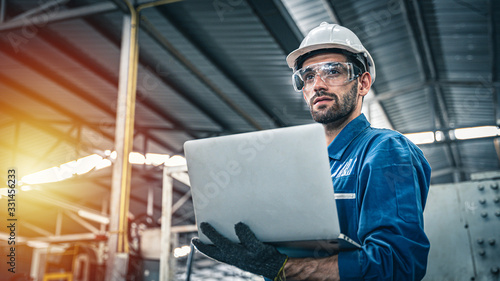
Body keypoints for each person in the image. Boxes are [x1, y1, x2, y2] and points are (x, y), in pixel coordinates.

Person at [192, 22, 431, 281]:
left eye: (333, 71)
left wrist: (285, 268)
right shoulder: (299, 166)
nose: (317, 84)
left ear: (363, 83)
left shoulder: (385, 151)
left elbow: (397, 264)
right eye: (308, 76)